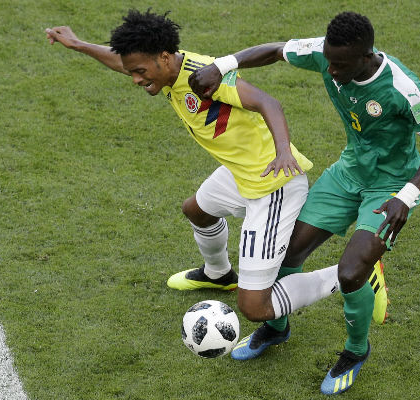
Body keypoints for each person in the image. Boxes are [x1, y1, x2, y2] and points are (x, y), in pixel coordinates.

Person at [44, 9, 389, 369]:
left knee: (255, 306)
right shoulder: (163, 67)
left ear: (163, 59)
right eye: (133, 71)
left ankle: (354, 271)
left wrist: (284, 150)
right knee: (197, 209)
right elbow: (122, 61)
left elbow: (267, 102)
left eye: (140, 72)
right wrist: (78, 44)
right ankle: (219, 273)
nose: (134, 79)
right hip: (241, 173)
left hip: (272, 184)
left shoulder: (202, 76)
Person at [189, 11, 420, 395]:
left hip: (390, 187)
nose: (330, 70)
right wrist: (223, 64)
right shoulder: (326, 54)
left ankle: (355, 352)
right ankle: (277, 328)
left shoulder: (403, 88)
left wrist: (406, 197)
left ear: (366, 57)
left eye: (340, 65)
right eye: (327, 60)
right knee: (284, 254)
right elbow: (277, 51)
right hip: (348, 173)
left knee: (350, 273)